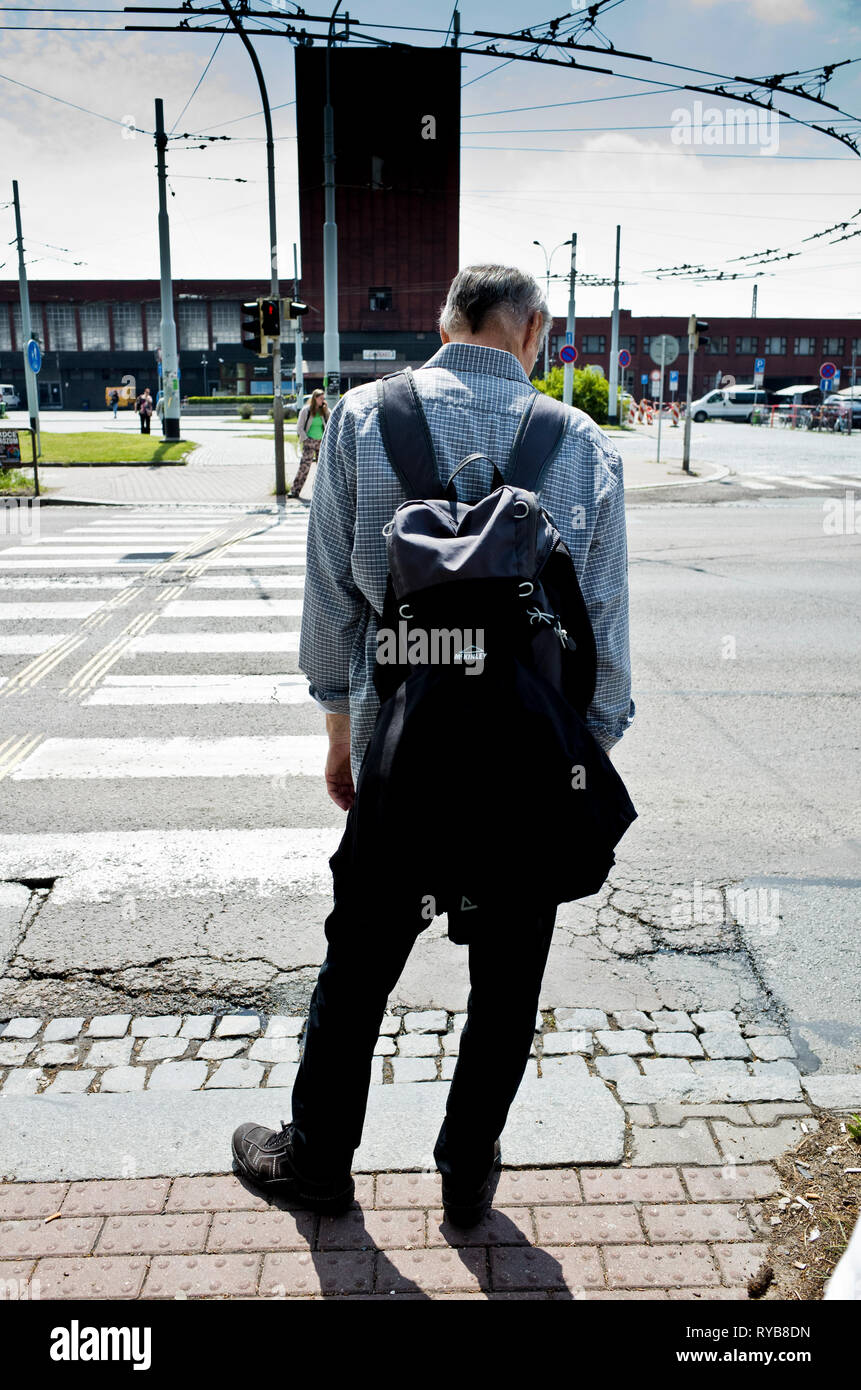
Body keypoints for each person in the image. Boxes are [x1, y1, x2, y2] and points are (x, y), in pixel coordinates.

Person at [232, 265, 635, 1224]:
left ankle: (319, 1161)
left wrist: (342, 732)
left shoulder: (365, 420)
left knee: (360, 958)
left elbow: (332, 597)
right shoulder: (578, 442)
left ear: (446, 322)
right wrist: (585, 747)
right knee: (508, 975)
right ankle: (466, 1171)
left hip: (399, 751)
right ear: (531, 330)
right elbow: (607, 626)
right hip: (534, 762)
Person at [289, 388, 329, 499]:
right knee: (304, 467)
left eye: (323, 399)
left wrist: (326, 409)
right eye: (321, 398)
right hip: (310, 441)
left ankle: (323, 493)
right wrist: (306, 439)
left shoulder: (324, 411)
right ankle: (295, 490)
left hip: (321, 442)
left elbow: (330, 424)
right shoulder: (306, 410)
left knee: (323, 469)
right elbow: (299, 427)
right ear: (315, 398)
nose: (323, 400)